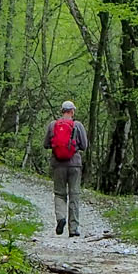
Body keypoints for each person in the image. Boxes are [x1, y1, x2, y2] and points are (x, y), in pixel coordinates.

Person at [43, 100, 88, 236]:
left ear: (62, 110)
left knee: (59, 193)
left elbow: (46, 144)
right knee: (74, 195)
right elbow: (85, 146)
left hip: (58, 165)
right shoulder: (77, 125)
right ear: (72, 111)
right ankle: (73, 229)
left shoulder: (53, 125)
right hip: (74, 164)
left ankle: (60, 218)